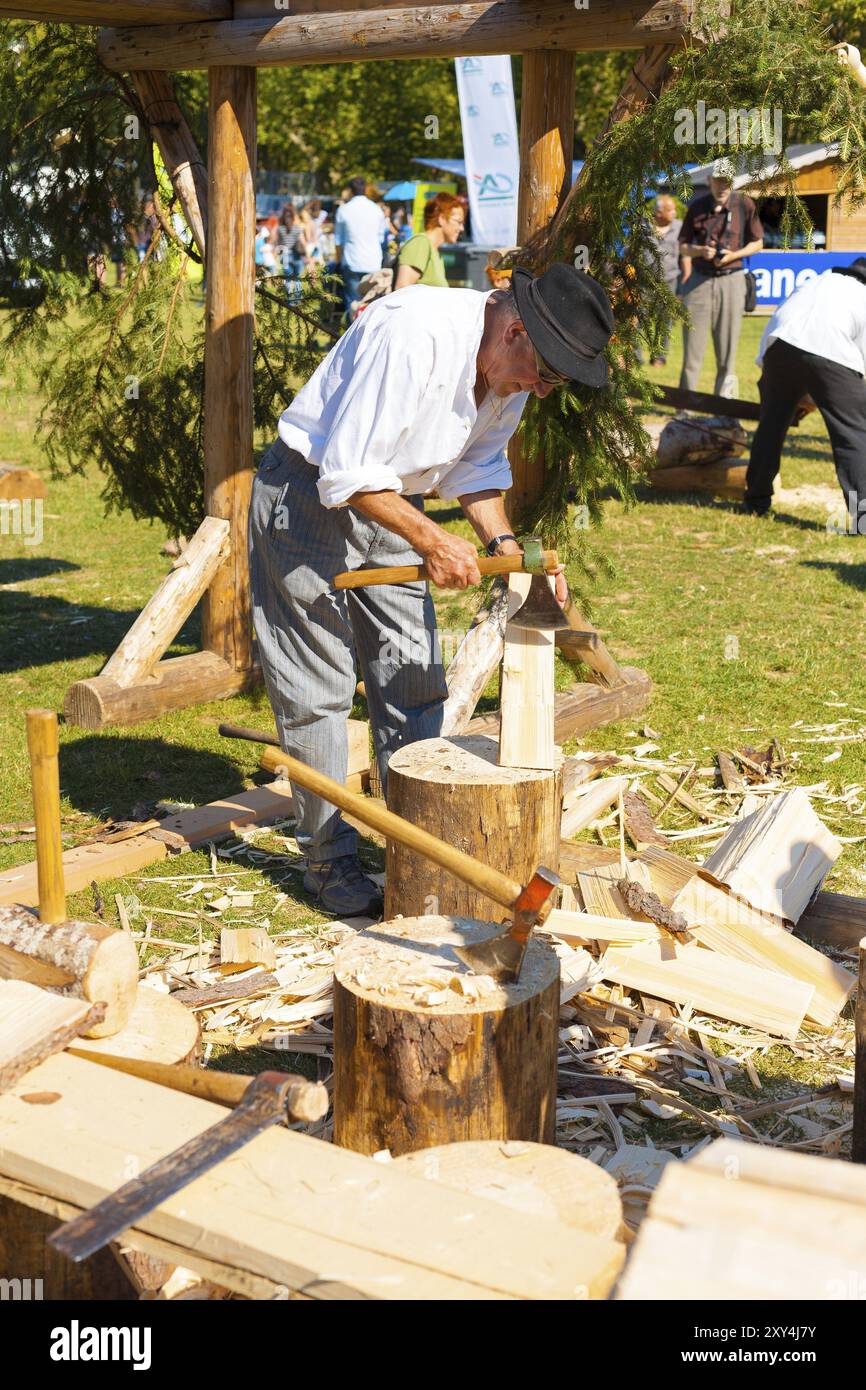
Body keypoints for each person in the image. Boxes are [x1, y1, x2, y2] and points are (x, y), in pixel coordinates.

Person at [249, 264, 615, 915]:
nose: (544, 389)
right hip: (307, 497)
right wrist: (432, 540)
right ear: (515, 331)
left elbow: (477, 466)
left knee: (415, 673)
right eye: (546, 374)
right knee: (318, 689)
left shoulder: (514, 370)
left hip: (395, 500)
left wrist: (506, 551)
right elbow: (346, 473)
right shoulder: (413, 333)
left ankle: (419, 836)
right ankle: (328, 860)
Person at [745, 260, 866, 526]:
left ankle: (756, 500)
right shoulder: (862, 295)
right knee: (852, 435)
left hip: (779, 348)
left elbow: (776, 325)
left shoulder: (811, 283)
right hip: (833, 354)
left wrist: (783, 388)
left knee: (770, 427)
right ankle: (863, 518)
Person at [678, 158, 763, 396]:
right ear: (709, 180)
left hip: (731, 279)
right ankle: (684, 407)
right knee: (691, 352)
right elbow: (682, 246)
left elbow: (758, 243)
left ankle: (724, 409)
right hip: (699, 279)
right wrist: (699, 251)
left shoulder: (745, 204)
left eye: (727, 181)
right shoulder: (697, 206)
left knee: (727, 352)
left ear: (733, 182)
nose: (723, 185)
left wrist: (734, 254)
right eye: (718, 180)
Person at [333, 175, 387, 322]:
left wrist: (338, 261)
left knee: (353, 305)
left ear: (350, 190)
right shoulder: (376, 210)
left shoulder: (344, 210)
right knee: (372, 306)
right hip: (373, 262)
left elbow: (338, 240)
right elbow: (381, 238)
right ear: (366, 189)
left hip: (352, 261)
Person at [394, 192, 464, 290]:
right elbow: (401, 289)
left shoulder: (435, 252)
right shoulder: (420, 243)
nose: (462, 228)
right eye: (459, 222)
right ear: (442, 219)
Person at [647, 194, 682, 365]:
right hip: (644, 281)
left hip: (669, 281)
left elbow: (685, 256)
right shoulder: (644, 226)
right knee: (640, 320)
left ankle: (659, 357)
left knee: (664, 321)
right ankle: (635, 358)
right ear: (659, 212)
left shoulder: (679, 227)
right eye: (670, 210)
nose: (674, 213)